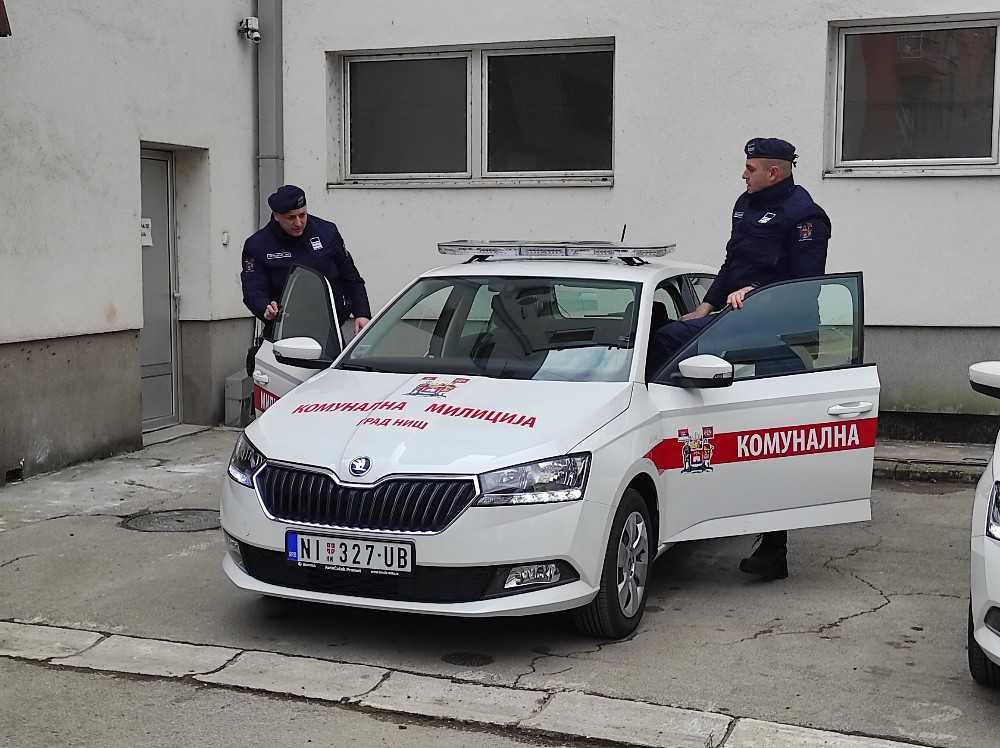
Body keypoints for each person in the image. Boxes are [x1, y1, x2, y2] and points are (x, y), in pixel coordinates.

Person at [650, 137, 832, 580]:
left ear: (774, 171)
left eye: (750, 168)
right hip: (737, 320)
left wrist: (756, 293)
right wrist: (706, 305)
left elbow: (805, 283)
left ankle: (774, 548)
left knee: (769, 437)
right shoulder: (745, 205)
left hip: (779, 332)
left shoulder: (805, 216)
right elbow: (732, 263)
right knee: (669, 339)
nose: (743, 174)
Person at [240, 184, 371, 343]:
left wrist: (362, 313)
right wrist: (265, 307)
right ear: (276, 216)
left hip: (329, 329)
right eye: (291, 217)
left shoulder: (327, 232)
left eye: (302, 215)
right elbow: (253, 289)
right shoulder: (258, 245)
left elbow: (350, 277)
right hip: (284, 332)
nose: (298, 222)